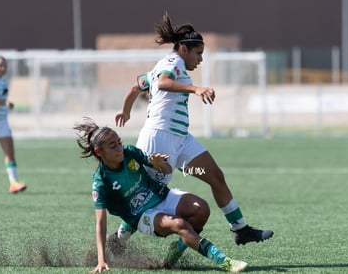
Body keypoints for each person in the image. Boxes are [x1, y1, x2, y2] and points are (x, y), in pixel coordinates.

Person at [115, 14, 273, 248]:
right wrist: (196, 89)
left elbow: (135, 86)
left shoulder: (167, 66)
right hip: (159, 139)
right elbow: (163, 84)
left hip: (180, 141)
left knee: (215, 176)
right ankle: (119, 239)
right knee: (147, 192)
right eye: (198, 53)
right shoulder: (172, 63)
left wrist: (125, 111)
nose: (200, 59)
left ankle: (240, 229)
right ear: (183, 49)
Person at [73, 117, 248, 273]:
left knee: (201, 209)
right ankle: (224, 262)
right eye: (113, 146)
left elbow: (166, 169)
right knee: (180, 224)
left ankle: (176, 249)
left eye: (119, 142)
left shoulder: (129, 152)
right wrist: (101, 259)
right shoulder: (101, 181)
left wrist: (159, 164)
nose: (119, 148)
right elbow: (100, 222)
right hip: (142, 216)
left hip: (162, 195)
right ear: (98, 152)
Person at [0, 56, 26, 194]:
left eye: (5, 65)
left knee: (10, 152)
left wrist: (7, 103)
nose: (3, 68)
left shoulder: (2, 80)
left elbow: (1, 99)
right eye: (0, 65)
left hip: (2, 122)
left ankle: (14, 183)